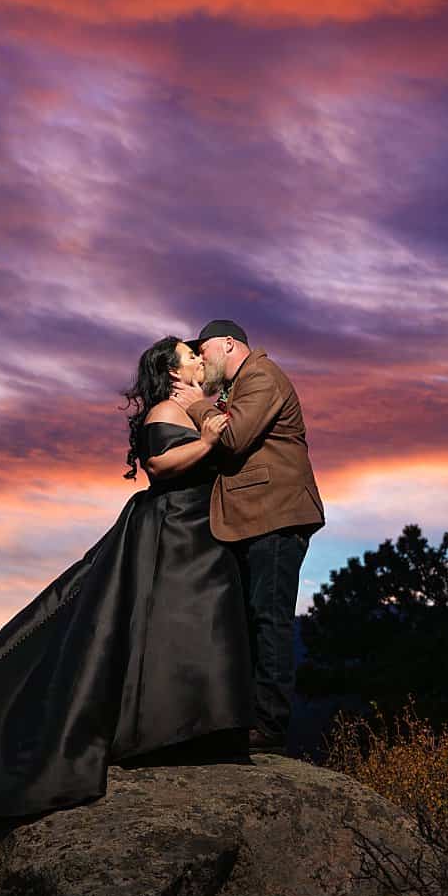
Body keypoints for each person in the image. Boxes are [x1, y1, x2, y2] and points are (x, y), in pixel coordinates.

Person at [0, 336, 256, 816]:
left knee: (203, 624)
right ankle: (161, 730)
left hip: (199, 528)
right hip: (173, 532)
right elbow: (159, 464)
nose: (199, 357)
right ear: (173, 372)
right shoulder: (163, 413)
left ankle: (199, 725)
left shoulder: (197, 406)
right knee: (167, 623)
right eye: (189, 354)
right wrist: (209, 442)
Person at [172, 320, 324, 755]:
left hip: (274, 517)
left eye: (205, 352)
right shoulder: (238, 386)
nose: (202, 361)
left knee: (268, 620)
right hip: (252, 518)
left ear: (229, 344)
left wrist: (196, 406)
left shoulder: (261, 375)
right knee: (251, 619)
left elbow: (234, 437)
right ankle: (245, 717)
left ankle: (269, 726)